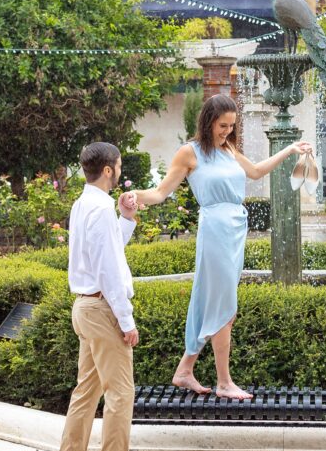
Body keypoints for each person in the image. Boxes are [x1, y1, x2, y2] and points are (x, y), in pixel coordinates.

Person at [121, 95, 311, 400]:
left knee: (211, 301)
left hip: (235, 227)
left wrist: (289, 149)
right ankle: (223, 382)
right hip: (214, 229)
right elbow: (160, 192)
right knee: (225, 307)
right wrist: (132, 197)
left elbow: (257, 172)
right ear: (208, 120)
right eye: (223, 125)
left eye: (232, 126)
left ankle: (185, 370)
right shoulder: (189, 152)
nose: (227, 130)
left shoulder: (229, 149)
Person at [57, 142, 153, 451]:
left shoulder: (86, 205)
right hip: (101, 310)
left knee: (87, 391)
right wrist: (126, 322)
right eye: (119, 166)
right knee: (120, 392)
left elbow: (108, 249)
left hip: (86, 307)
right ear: (109, 170)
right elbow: (108, 270)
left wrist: (126, 217)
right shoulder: (96, 209)